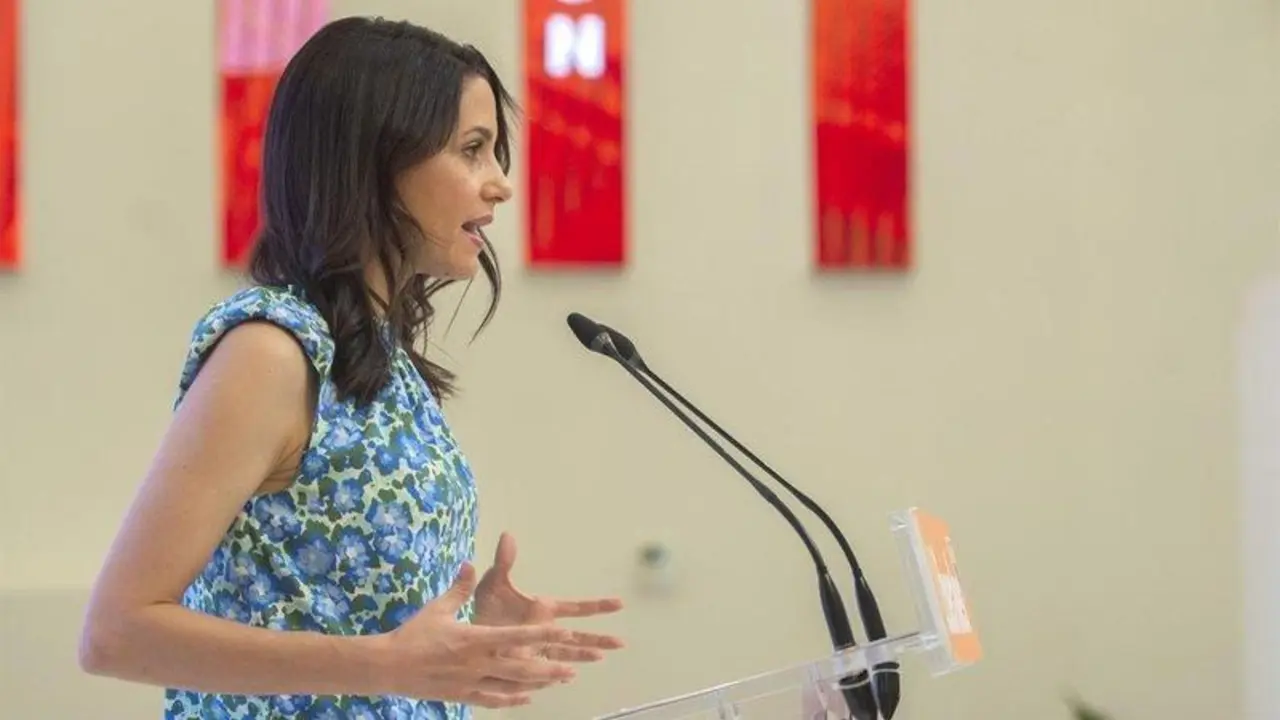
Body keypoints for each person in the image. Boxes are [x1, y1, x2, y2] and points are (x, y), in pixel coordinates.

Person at [78, 16, 624, 719]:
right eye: (473, 150)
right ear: (376, 161)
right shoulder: (271, 352)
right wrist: (385, 664)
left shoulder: (376, 356)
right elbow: (116, 632)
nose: (500, 186)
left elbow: (346, 623)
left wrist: (469, 640)